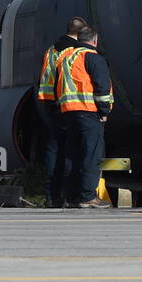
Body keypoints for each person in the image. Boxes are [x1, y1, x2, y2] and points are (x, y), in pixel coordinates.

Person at [56, 26, 114, 209]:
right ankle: (88, 196)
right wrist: (104, 112)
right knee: (91, 155)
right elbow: (102, 89)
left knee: (72, 154)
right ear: (95, 41)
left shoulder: (65, 58)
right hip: (88, 112)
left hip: (68, 111)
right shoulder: (93, 58)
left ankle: (72, 196)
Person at [36, 16, 86, 208]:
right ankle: (70, 194)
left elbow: (46, 77)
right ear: (80, 33)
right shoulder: (75, 51)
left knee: (53, 150)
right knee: (71, 152)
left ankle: (51, 195)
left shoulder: (51, 50)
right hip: (71, 105)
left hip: (51, 105)